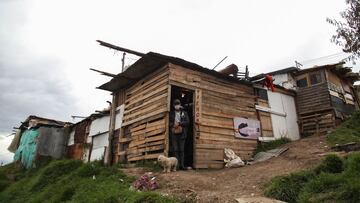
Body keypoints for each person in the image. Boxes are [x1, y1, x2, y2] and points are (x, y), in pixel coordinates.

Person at [169, 99, 189, 170]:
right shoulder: (171, 113)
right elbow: (169, 123)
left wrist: (180, 123)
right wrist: (173, 125)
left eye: (178, 104)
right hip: (174, 133)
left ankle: (182, 166)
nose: (177, 105)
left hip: (182, 133)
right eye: (175, 104)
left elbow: (187, 122)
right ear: (173, 105)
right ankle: (176, 166)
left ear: (180, 105)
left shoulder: (184, 113)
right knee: (175, 149)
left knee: (181, 150)